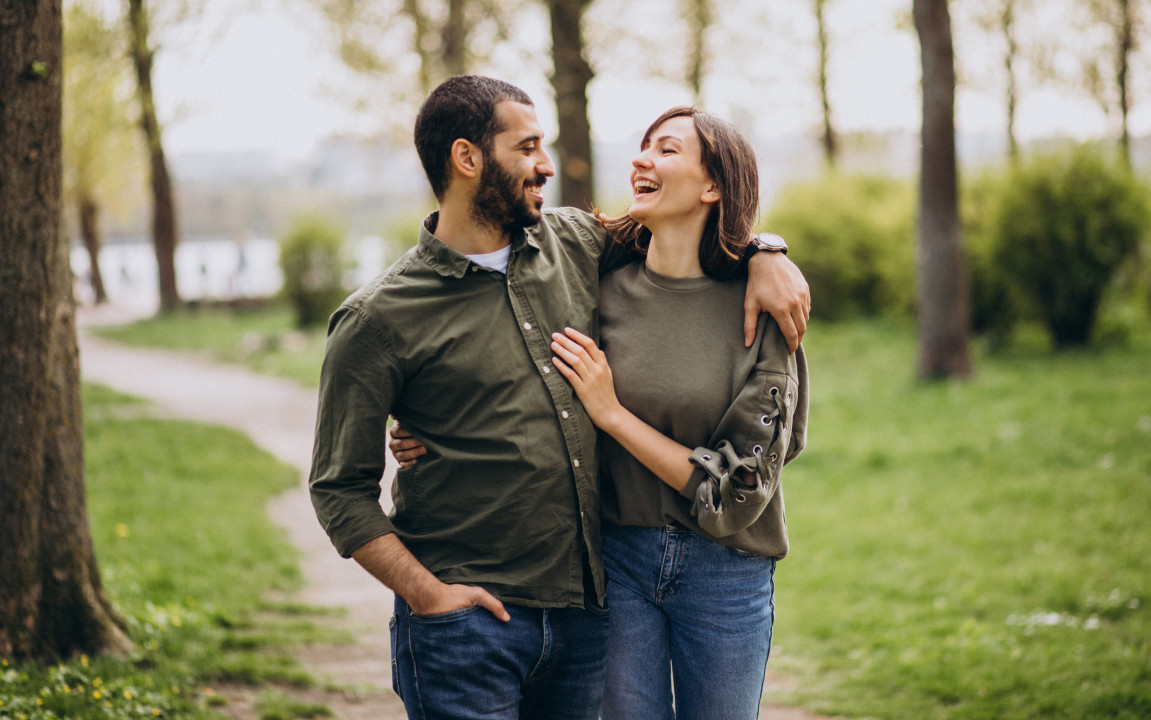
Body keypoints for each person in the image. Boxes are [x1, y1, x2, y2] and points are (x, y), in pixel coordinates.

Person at [311, 75, 809, 720]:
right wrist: (427, 594)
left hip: (587, 615)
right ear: (468, 159)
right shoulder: (378, 318)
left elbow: (690, 236)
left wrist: (766, 251)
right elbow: (338, 488)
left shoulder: (572, 243)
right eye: (528, 148)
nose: (547, 165)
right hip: (477, 621)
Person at [547, 106, 809, 719]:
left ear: (713, 185)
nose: (641, 159)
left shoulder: (761, 307)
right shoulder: (598, 292)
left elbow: (739, 489)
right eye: (642, 148)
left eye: (666, 150)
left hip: (728, 572)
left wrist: (613, 415)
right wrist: (428, 430)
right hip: (619, 561)